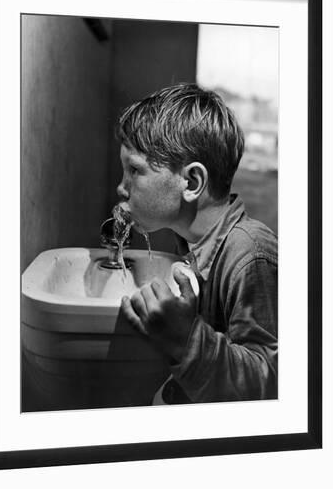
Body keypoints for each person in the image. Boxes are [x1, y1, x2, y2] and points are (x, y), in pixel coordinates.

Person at [117, 83, 278, 404]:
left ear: (192, 182)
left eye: (134, 170)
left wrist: (185, 339)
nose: (122, 188)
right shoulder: (192, 244)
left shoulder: (249, 252)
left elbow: (272, 383)